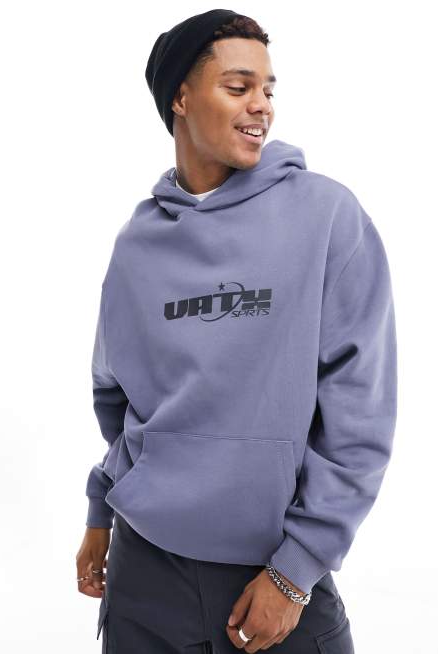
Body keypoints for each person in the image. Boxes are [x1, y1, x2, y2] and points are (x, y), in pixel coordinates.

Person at [76, 9, 397, 653]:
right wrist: (101, 509)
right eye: (238, 86)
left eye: (268, 89)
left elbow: (360, 411)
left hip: (270, 576)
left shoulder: (326, 217)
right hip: (144, 575)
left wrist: (297, 570)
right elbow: (120, 398)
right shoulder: (138, 244)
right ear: (181, 98)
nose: (262, 106)